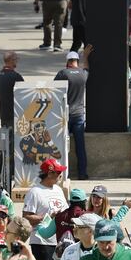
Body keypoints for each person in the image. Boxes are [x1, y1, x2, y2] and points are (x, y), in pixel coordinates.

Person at [23, 158, 69, 260]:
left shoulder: (58, 189)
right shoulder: (35, 192)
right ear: (49, 173)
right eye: (58, 172)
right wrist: (48, 217)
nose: (60, 175)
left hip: (60, 242)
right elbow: (26, 217)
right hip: (42, 243)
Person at [54, 47, 92, 180]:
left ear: (68, 62)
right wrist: (86, 56)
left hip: (65, 114)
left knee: (62, 145)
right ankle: (83, 173)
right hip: (79, 114)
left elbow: (54, 91)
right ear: (76, 61)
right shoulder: (83, 74)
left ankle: (63, 174)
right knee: (80, 146)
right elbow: (86, 67)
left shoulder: (63, 74)